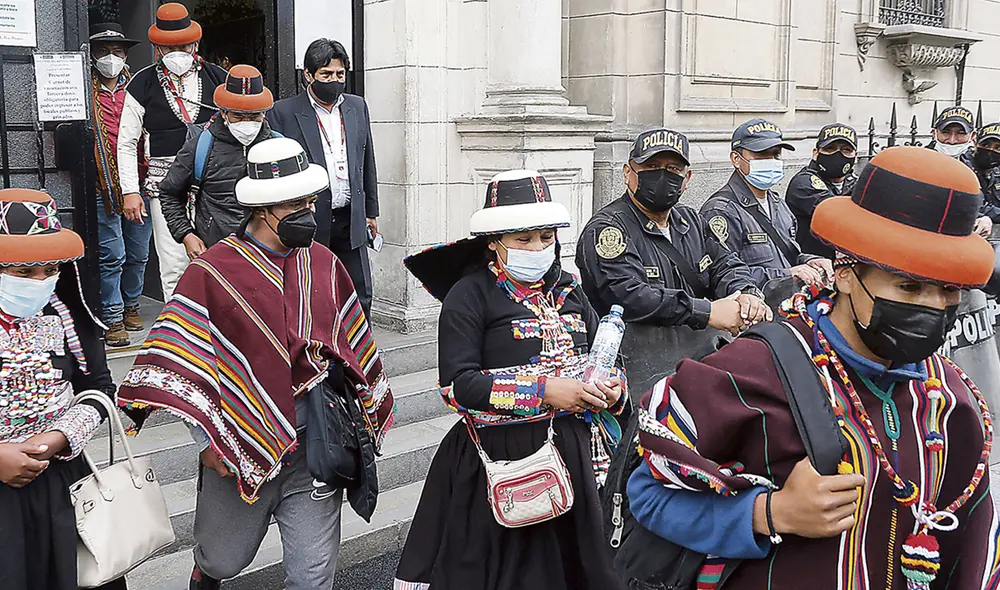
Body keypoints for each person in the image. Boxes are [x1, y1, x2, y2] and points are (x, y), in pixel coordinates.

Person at [629, 147, 999, 589]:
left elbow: (971, 537)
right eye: (909, 286)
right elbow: (647, 496)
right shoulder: (749, 372)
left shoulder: (947, 394)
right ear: (845, 273)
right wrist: (770, 513)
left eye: (948, 290)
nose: (934, 306)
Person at [117, 138, 395, 590]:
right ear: (263, 208)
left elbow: (351, 341)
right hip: (236, 445)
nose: (308, 212)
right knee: (221, 560)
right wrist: (207, 440)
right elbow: (179, 358)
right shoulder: (212, 272)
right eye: (294, 204)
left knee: (312, 575)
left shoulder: (322, 263)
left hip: (314, 448)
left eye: (310, 201)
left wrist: (363, 408)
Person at [395, 170, 628, 590]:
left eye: (545, 237)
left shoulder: (570, 289)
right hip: (503, 464)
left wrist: (612, 389)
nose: (537, 248)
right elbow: (458, 387)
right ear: (493, 242)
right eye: (523, 239)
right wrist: (545, 391)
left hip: (580, 457)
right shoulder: (470, 295)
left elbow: (608, 360)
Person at [576, 129, 770, 394]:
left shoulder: (691, 222)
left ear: (686, 178)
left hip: (699, 361)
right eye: (651, 166)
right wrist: (707, 312)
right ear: (627, 173)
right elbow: (627, 296)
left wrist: (747, 296)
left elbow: (727, 265)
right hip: (637, 376)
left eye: (673, 169)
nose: (662, 176)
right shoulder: (608, 230)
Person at [0, 189, 127, 590]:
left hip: (62, 483)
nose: (40, 281)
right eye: (23, 272)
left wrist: (58, 437)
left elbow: (100, 390)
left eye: (49, 269)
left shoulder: (66, 315)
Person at [117, 3, 227, 298]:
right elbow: (127, 142)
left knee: (219, 258)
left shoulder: (218, 78)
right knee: (174, 265)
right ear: (157, 49)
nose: (177, 53)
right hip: (164, 186)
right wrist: (130, 190)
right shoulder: (141, 83)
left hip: (215, 184)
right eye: (169, 47)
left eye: (183, 45)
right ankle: (179, 337)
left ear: (195, 43)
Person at [269, 38, 379, 314]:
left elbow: (367, 161)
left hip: (350, 216)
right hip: (310, 219)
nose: (334, 80)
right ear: (308, 74)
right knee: (312, 295)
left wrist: (371, 212)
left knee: (360, 295)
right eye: (326, 74)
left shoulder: (357, 106)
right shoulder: (283, 112)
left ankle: (360, 355)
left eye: (340, 74)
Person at [700, 118, 832, 297]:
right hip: (753, 315)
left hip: (787, 307)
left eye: (776, 154)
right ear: (736, 159)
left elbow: (789, 256)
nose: (771, 160)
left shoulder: (778, 204)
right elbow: (723, 275)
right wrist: (787, 275)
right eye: (761, 154)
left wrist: (811, 261)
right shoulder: (721, 211)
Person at [159, 65, 279, 260]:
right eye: (238, 116)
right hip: (217, 252)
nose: (246, 122)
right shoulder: (198, 147)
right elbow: (169, 193)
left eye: (254, 116)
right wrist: (186, 234)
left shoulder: (280, 148)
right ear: (223, 113)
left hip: (271, 252)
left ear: (264, 114)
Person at [89, 21, 151, 347]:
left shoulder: (138, 91)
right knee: (112, 253)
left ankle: (131, 304)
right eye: (103, 51)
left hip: (140, 183)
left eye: (116, 51)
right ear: (92, 55)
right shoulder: (86, 93)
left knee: (139, 253)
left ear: (126, 54)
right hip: (104, 187)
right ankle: (112, 316)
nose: (110, 57)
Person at [786, 123, 859, 259]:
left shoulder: (853, 181)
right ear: (816, 153)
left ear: (855, 157)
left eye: (846, 150)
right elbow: (836, 214)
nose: (838, 155)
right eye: (830, 149)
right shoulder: (804, 183)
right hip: (811, 267)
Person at [926, 106, 993, 237]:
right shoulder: (921, 161)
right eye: (946, 132)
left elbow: (978, 201)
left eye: (960, 133)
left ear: (972, 136)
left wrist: (983, 218)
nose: (952, 140)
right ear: (934, 133)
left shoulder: (974, 163)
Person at [971, 122, 1000, 229]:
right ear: (975, 144)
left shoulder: (997, 170)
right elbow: (976, 206)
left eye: (998, 148)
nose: (990, 151)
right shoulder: (963, 167)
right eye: (985, 145)